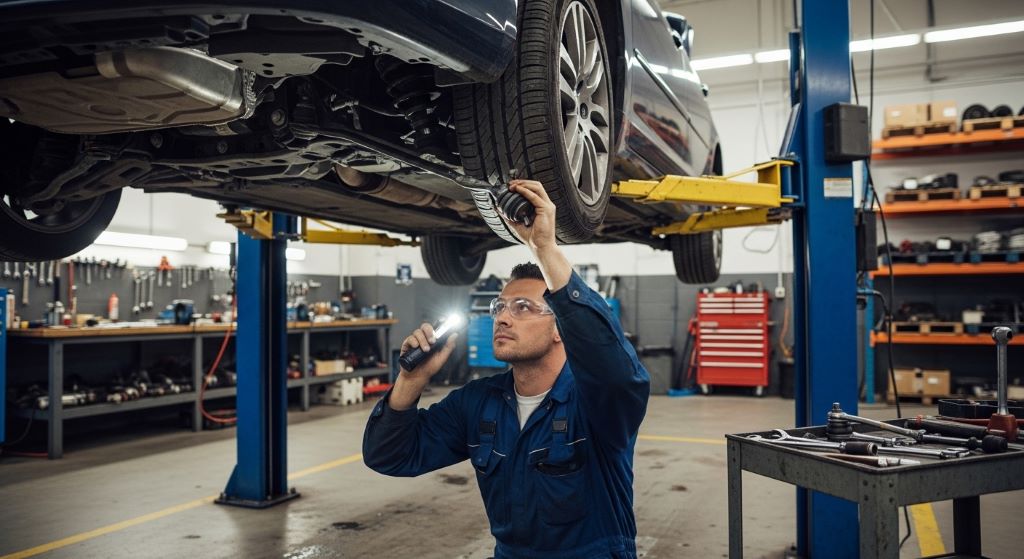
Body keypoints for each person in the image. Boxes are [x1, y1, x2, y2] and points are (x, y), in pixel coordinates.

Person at [363, 179, 651, 558]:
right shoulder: (479, 403)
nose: (503, 318)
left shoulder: (596, 404)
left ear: (561, 329)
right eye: (499, 307)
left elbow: (615, 368)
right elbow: (390, 455)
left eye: (523, 308)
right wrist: (410, 381)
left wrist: (543, 247)